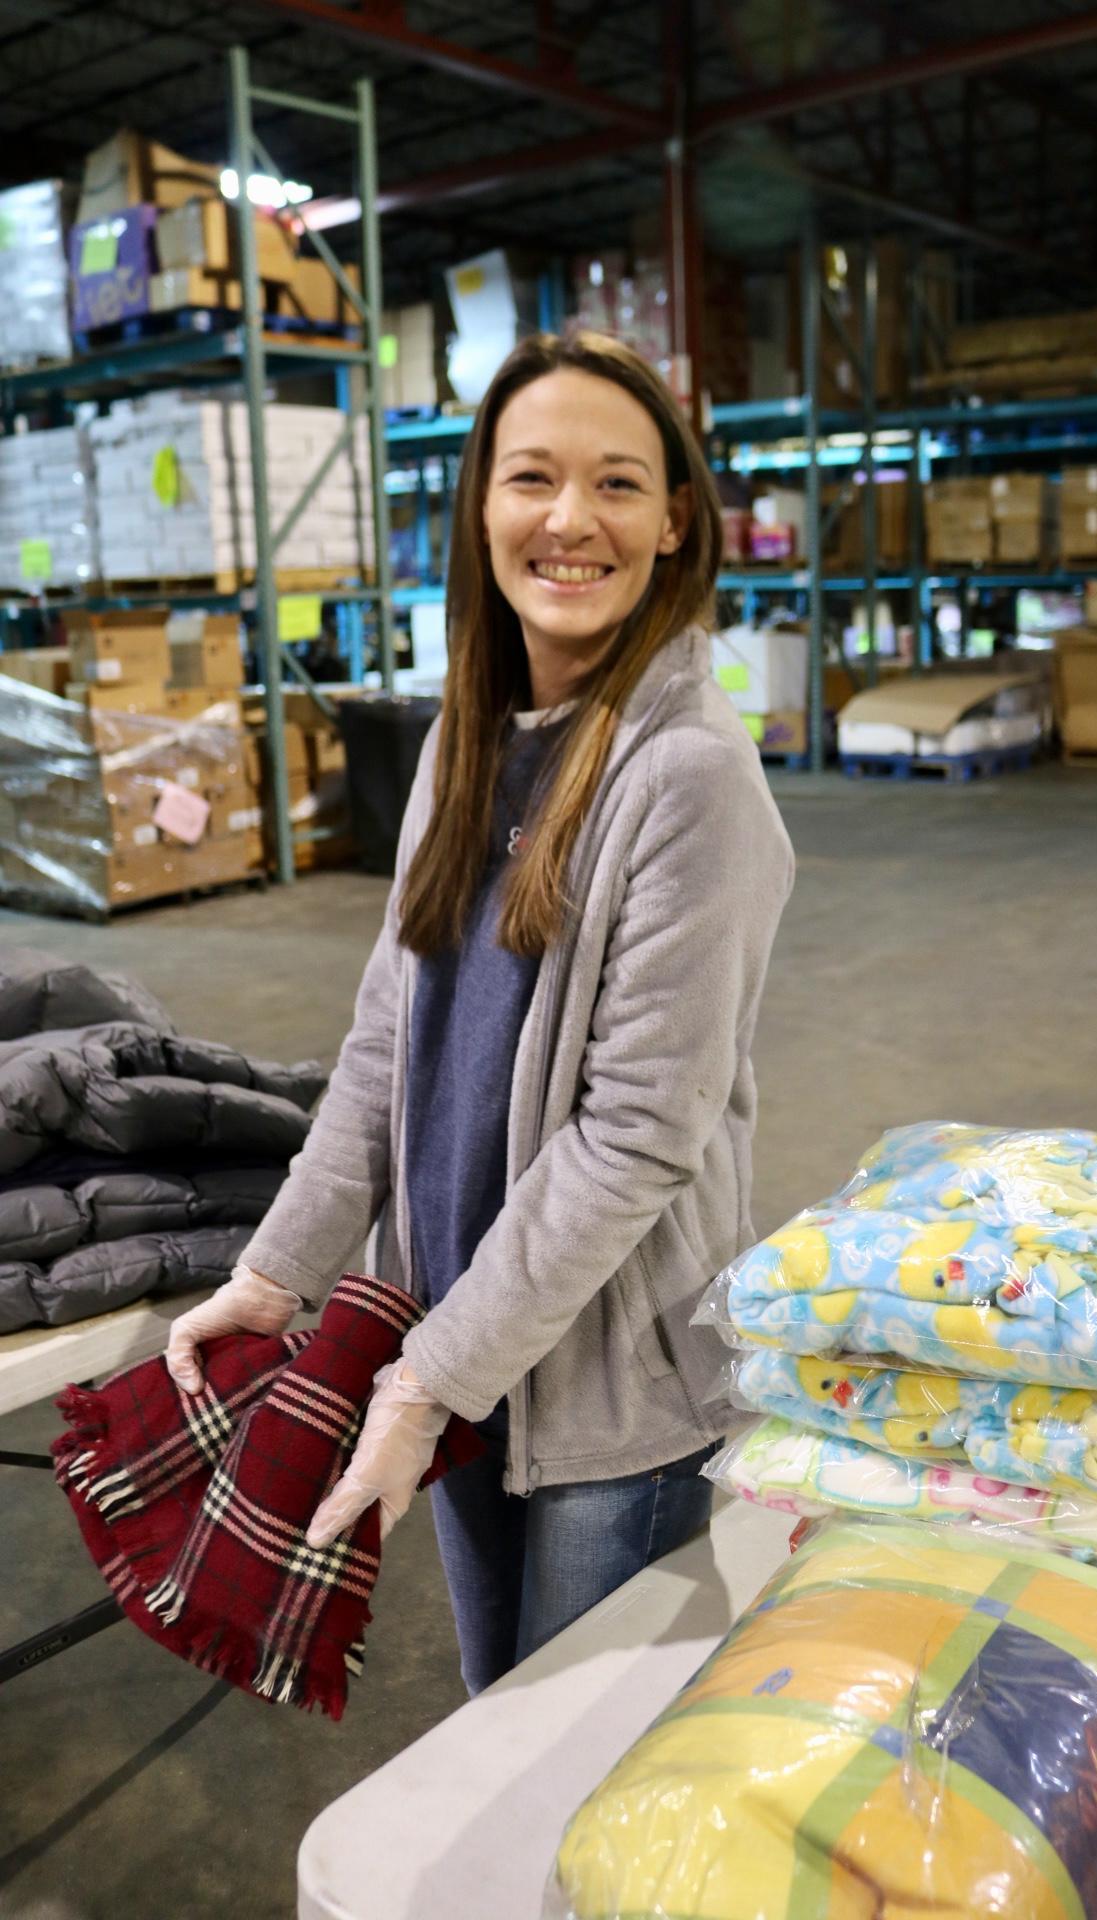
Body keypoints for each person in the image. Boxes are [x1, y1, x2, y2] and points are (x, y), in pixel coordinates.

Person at [165, 331, 794, 1696]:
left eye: (618, 484)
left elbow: (638, 1136)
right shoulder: (466, 741)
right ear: (481, 507)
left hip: (608, 1401)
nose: (571, 520)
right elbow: (387, 1039)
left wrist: (421, 1383)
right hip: (457, 1348)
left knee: (565, 1784)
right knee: (482, 1716)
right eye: (534, 478)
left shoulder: (690, 781)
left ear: (676, 520)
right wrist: (281, 1273)